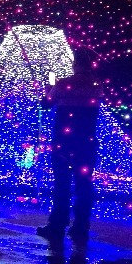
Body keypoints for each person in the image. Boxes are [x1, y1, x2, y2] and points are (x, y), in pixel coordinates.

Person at [36, 45, 104, 243]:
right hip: (87, 142)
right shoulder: (96, 84)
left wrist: (49, 88)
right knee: (84, 185)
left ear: (75, 64)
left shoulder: (64, 84)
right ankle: (81, 226)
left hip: (63, 143)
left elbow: (45, 104)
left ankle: (57, 225)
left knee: (62, 184)